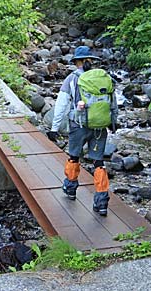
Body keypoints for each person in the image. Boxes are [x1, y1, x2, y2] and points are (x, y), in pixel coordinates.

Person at [46, 46, 117, 216]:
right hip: (100, 127)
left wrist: (55, 128)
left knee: (74, 156)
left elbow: (62, 104)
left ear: (77, 61)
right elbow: (113, 103)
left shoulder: (71, 79)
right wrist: (113, 122)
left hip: (78, 125)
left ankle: (70, 189)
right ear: (90, 60)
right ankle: (101, 203)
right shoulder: (103, 78)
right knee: (99, 162)